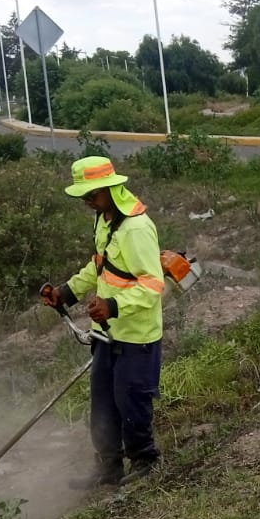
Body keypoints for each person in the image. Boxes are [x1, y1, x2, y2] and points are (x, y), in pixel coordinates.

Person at [41, 157, 166, 488]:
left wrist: (113, 305)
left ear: (110, 188)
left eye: (91, 195)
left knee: (131, 401)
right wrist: (67, 292)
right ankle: (108, 468)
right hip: (106, 335)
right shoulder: (105, 219)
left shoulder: (136, 228)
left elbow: (153, 285)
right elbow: (102, 266)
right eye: (83, 196)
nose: (86, 201)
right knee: (103, 404)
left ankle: (144, 461)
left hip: (136, 336)